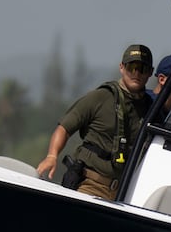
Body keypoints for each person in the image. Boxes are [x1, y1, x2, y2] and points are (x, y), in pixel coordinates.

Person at [36, 44, 152, 200]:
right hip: (89, 185)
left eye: (142, 69)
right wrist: (51, 156)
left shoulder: (151, 109)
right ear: (122, 67)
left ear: (150, 73)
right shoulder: (101, 97)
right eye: (132, 67)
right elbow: (64, 128)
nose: (136, 73)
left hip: (125, 194)